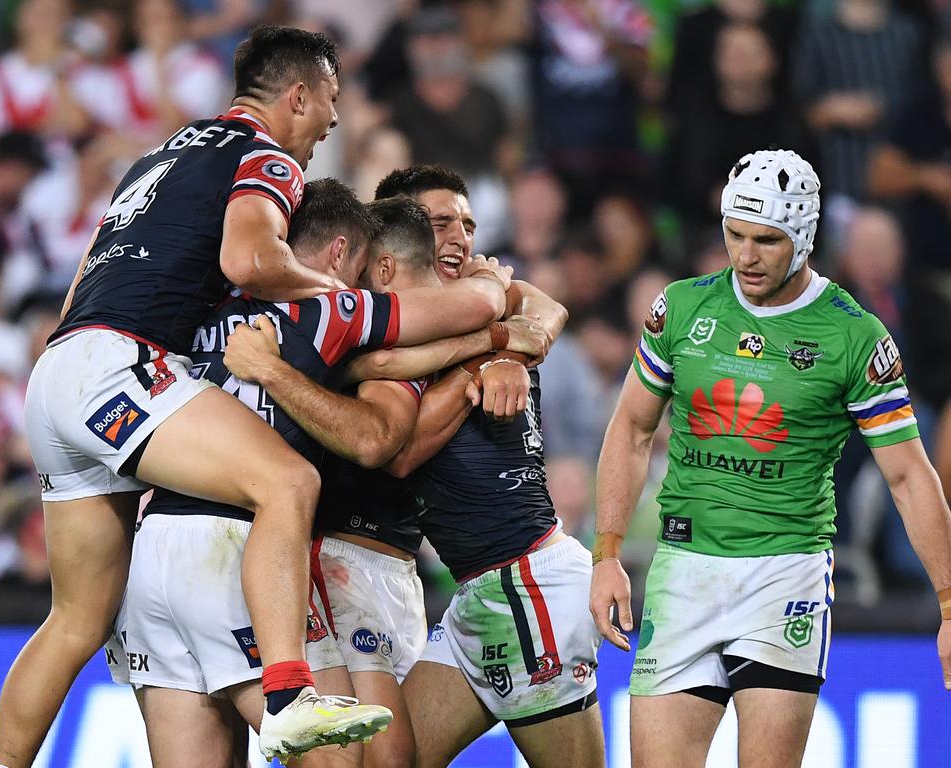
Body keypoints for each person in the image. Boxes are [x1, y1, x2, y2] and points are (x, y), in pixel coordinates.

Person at [0, 27, 388, 768]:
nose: (327, 129)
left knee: (75, 619)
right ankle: (290, 696)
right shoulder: (263, 154)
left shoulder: (159, 156)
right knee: (288, 481)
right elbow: (249, 257)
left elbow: (85, 282)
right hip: (118, 365)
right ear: (296, 97)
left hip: (59, 370)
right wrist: (329, 290)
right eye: (326, 108)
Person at [106, 183, 521, 766]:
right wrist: (497, 311)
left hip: (152, 555)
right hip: (237, 548)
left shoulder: (203, 311)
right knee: (341, 761)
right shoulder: (329, 309)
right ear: (337, 253)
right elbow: (463, 319)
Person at [589, 148, 951, 768]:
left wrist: (949, 601)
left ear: (806, 237)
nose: (746, 255)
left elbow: (908, 474)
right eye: (734, 234)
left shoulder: (855, 337)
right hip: (683, 570)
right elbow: (629, 430)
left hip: (785, 574)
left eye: (766, 240)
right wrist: (607, 554)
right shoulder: (680, 307)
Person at [366, 165, 603, 768]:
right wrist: (495, 350)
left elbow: (398, 454)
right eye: (440, 222)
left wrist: (505, 349)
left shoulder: (484, 306)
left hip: (527, 582)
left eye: (467, 225)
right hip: (480, 592)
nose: (460, 238)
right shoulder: (466, 316)